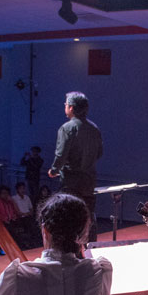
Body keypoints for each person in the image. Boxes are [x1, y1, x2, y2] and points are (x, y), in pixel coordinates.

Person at [48, 91, 103, 242]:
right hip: (89, 181)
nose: (65, 107)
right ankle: (91, 248)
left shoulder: (67, 128)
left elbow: (61, 154)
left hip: (71, 182)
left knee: (70, 217)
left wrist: (54, 170)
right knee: (88, 216)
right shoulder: (94, 128)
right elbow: (99, 153)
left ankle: (72, 252)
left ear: (71, 108)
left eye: (65, 105)